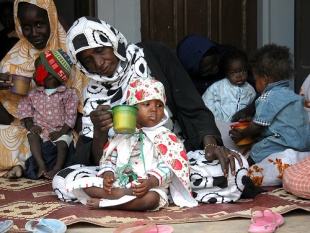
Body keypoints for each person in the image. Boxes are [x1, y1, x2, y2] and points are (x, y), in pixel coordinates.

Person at [52, 17, 247, 204]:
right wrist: (99, 132)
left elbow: (191, 105)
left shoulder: (154, 55)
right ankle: (154, 193)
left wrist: (210, 145)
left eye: (101, 50)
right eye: (88, 60)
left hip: (170, 161)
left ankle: (128, 195)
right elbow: (97, 162)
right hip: (121, 170)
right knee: (63, 180)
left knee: (236, 170)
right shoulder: (93, 95)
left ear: (113, 41)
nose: (99, 63)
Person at [65, 78, 197, 211]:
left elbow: (169, 166)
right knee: (85, 184)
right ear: (132, 109)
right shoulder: (123, 134)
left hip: (149, 188)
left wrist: (150, 182)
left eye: (159, 105)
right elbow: (110, 158)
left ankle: (108, 204)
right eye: (147, 104)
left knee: (152, 199)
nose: (154, 110)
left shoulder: (165, 137)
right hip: (120, 184)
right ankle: (121, 195)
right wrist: (108, 174)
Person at [0, 0, 67, 178]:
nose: (34, 33)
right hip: (25, 129)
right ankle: (23, 164)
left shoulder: (68, 53)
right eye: (26, 27)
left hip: (60, 128)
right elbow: (7, 119)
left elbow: (78, 109)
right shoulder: (10, 61)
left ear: (51, 19)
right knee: (11, 134)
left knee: (68, 142)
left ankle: (20, 164)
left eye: (39, 24)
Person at [229, 43, 310, 186]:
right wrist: (252, 118)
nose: (255, 84)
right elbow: (278, 117)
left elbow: (258, 124)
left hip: (283, 140)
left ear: (265, 79)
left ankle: (244, 171)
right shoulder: (291, 95)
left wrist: (242, 134)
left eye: (256, 80)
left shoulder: (267, 97)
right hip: (304, 141)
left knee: (258, 148)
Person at [18, 49, 78, 180]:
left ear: (50, 74)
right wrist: (29, 125)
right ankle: (41, 165)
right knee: (32, 137)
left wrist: (62, 132)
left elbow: (71, 114)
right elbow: (24, 108)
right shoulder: (33, 94)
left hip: (60, 131)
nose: (34, 74)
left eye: (37, 70)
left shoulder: (68, 94)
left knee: (62, 144)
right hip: (40, 129)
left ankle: (57, 168)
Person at [202, 49, 256, 122]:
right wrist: (214, 118)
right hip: (219, 123)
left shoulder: (250, 90)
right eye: (233, 73)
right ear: (226, 74)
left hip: (240, 126)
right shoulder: (217, 87)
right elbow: (207, 101)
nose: (238, 76)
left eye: (243, 71)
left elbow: (252, 108)